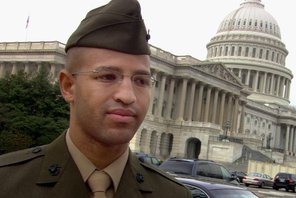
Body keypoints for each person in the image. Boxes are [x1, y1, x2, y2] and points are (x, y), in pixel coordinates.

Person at [0, 0, 192, 197]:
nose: (128, 96)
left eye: (141, 81)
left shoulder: (173, 194)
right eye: (107, 77)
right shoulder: (6, 184)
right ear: (68, 86)